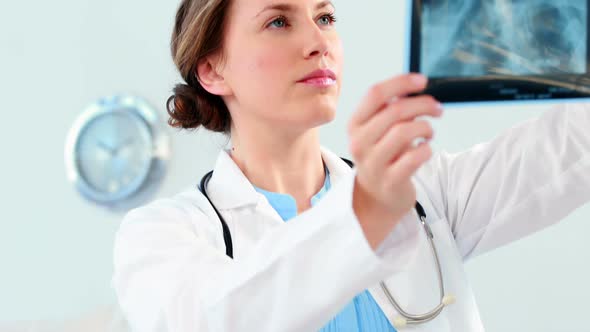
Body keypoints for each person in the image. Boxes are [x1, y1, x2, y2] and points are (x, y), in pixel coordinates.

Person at [111, 0, 590, 331]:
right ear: (213, 69)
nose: (318, 41)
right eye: (278, 21)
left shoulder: (423, 197)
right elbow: (215, 318)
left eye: (325, 16)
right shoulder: (161, 235)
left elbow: (569, 148)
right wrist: (367, 213)